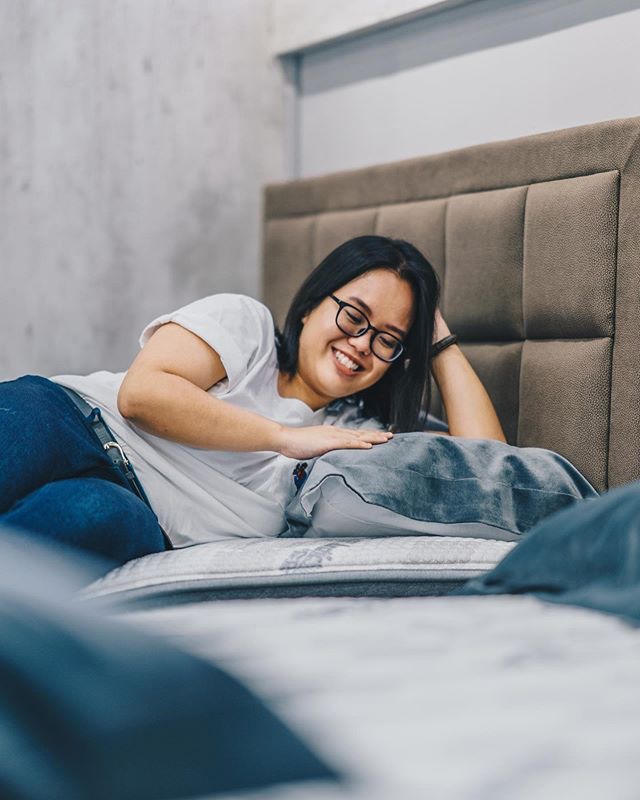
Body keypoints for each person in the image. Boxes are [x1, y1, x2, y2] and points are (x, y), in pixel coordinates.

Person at [0, 235, 505, 565]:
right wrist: (285, 438)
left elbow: (493, 474)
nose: (362, 344)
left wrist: (435, 341)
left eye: (388, 340)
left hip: (139, 513)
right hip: (72, 420)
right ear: (311, 306)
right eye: (355, 316)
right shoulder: (250, 328)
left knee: (85, 524)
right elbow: (142, 395)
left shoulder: (360, 432)